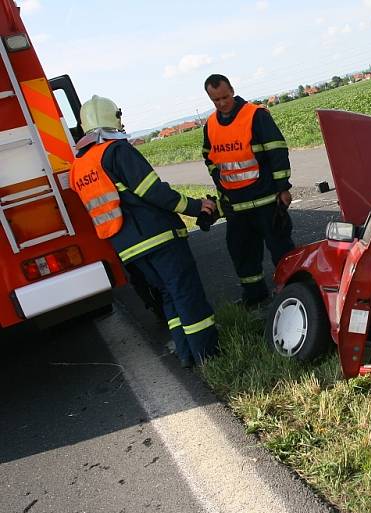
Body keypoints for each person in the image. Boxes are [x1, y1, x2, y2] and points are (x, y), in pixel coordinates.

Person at [69, 95, 218, 367]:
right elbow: (153, 192)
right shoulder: (116, 151)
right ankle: (208, 356)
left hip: (127, 247)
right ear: (113, 117)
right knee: (186, 293)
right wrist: (198, 207)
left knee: (169, 297)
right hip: (158, 237)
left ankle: (186, 355)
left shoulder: (79, 166)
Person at [202, 74, 295, 307]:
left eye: (224, 97)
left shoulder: (256, 115)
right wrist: (220, 183)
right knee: (242, 253)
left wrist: (282, 188)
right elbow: (210, 158)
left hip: (267, 200)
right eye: (216, 100)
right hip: (237, 206)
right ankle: (255, 297)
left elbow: (277, 151)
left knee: (281, 250)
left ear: (232, 90)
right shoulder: (210, 125)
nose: (222, 103)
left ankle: (295, 290)